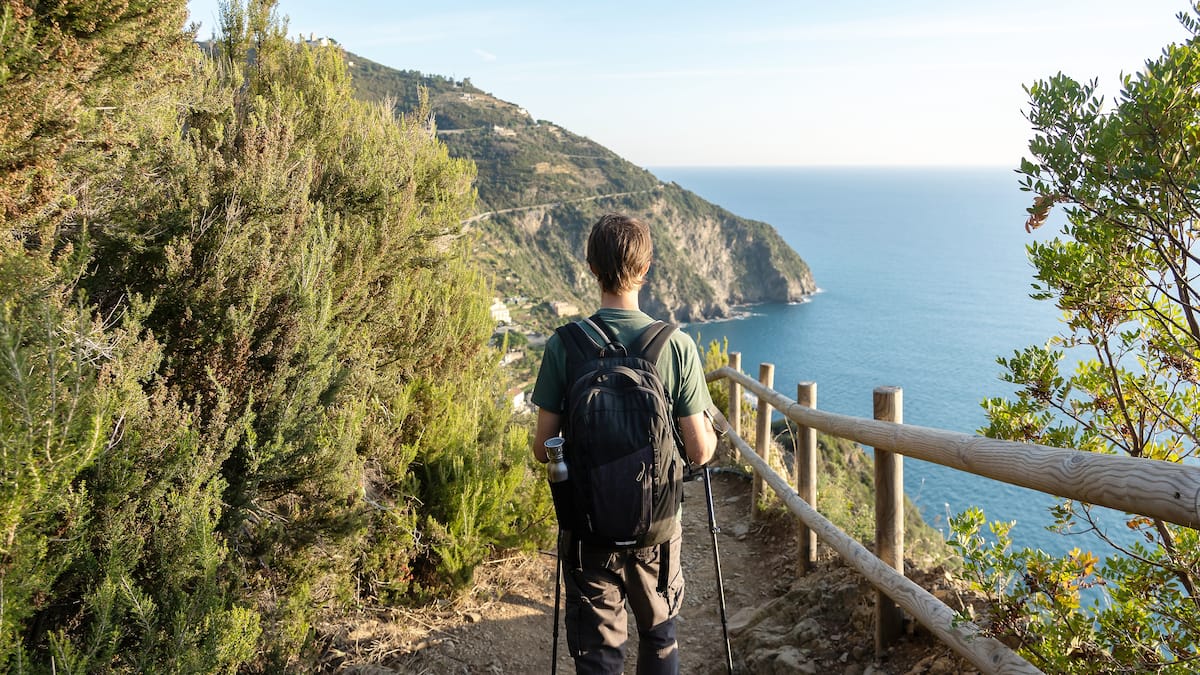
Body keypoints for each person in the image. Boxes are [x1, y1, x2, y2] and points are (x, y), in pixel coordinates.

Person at [531, 213, 719, 674]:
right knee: (659, 636)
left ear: (591, 268)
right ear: (647, 268)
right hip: (657, 528)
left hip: (587, 527)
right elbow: (699, 451)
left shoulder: (564, 346)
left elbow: (543, 448)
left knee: (598, 651)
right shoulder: (675, 347)